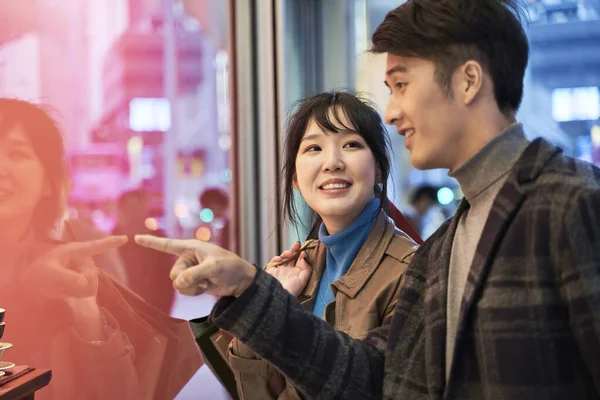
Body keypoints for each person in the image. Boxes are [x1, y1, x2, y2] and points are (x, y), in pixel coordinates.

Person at [136, 0, 600, 398]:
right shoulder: (446, 245)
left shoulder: (568, 202)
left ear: (467, 81)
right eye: (312, 148)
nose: (393, 111)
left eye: (401, 85)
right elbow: (372, 379)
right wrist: (249, 288)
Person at [217, 91, 419, 399]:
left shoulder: (413, 272)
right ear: (295, 178)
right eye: (314, 147)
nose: (332, 162)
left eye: (351, 144)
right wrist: (265, 304)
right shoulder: (299, 265)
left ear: (379, 168)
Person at [0, 98, 202, 400]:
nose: (1, 167)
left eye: (17, 153)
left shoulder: (71, 269)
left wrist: (88, 318)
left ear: (47, 183)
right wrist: (29, 297)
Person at [113, 189, 175, 314]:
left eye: (138, 208)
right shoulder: (111, 242)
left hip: (153, 313)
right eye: (130, 208)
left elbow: (168, 283)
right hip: (120, 314)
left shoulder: (158, 240)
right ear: (122, 210)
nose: (135, 214)